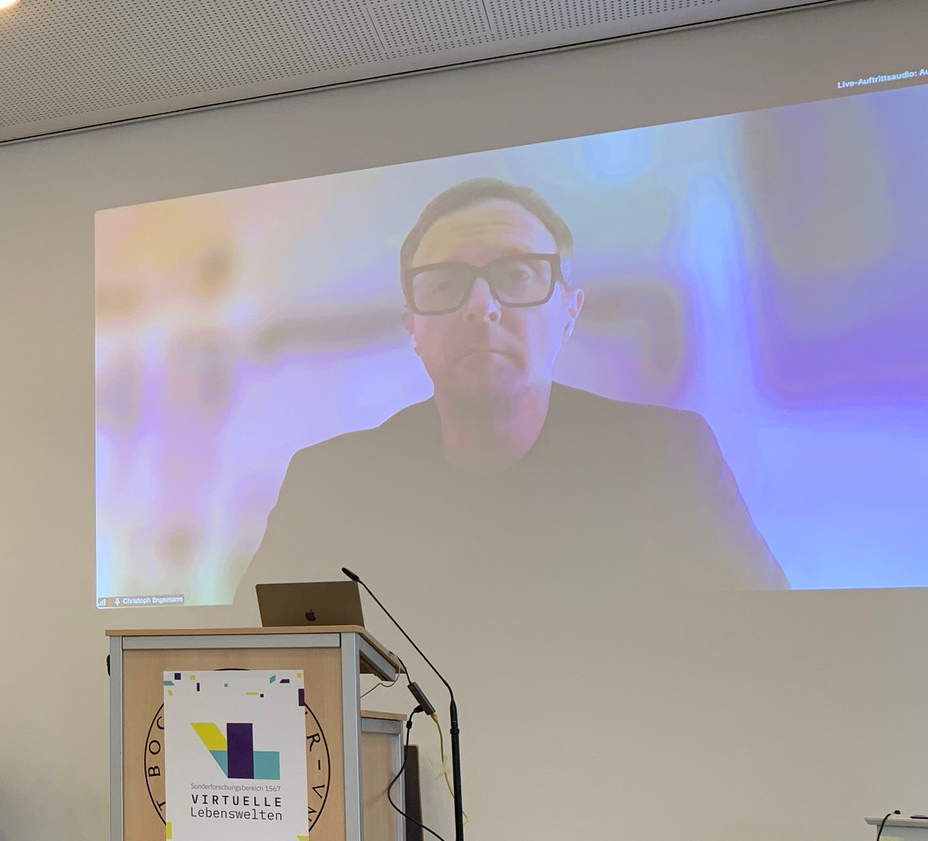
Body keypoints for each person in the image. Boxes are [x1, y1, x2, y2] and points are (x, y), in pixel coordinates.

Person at [243, 177, 786, 600]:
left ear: (570, 312)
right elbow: (240, 664)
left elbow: (771, 642)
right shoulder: (328, 486)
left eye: (518, 275)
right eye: (446, 285)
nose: (481, 306)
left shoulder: (668, 460)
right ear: (412, 326)